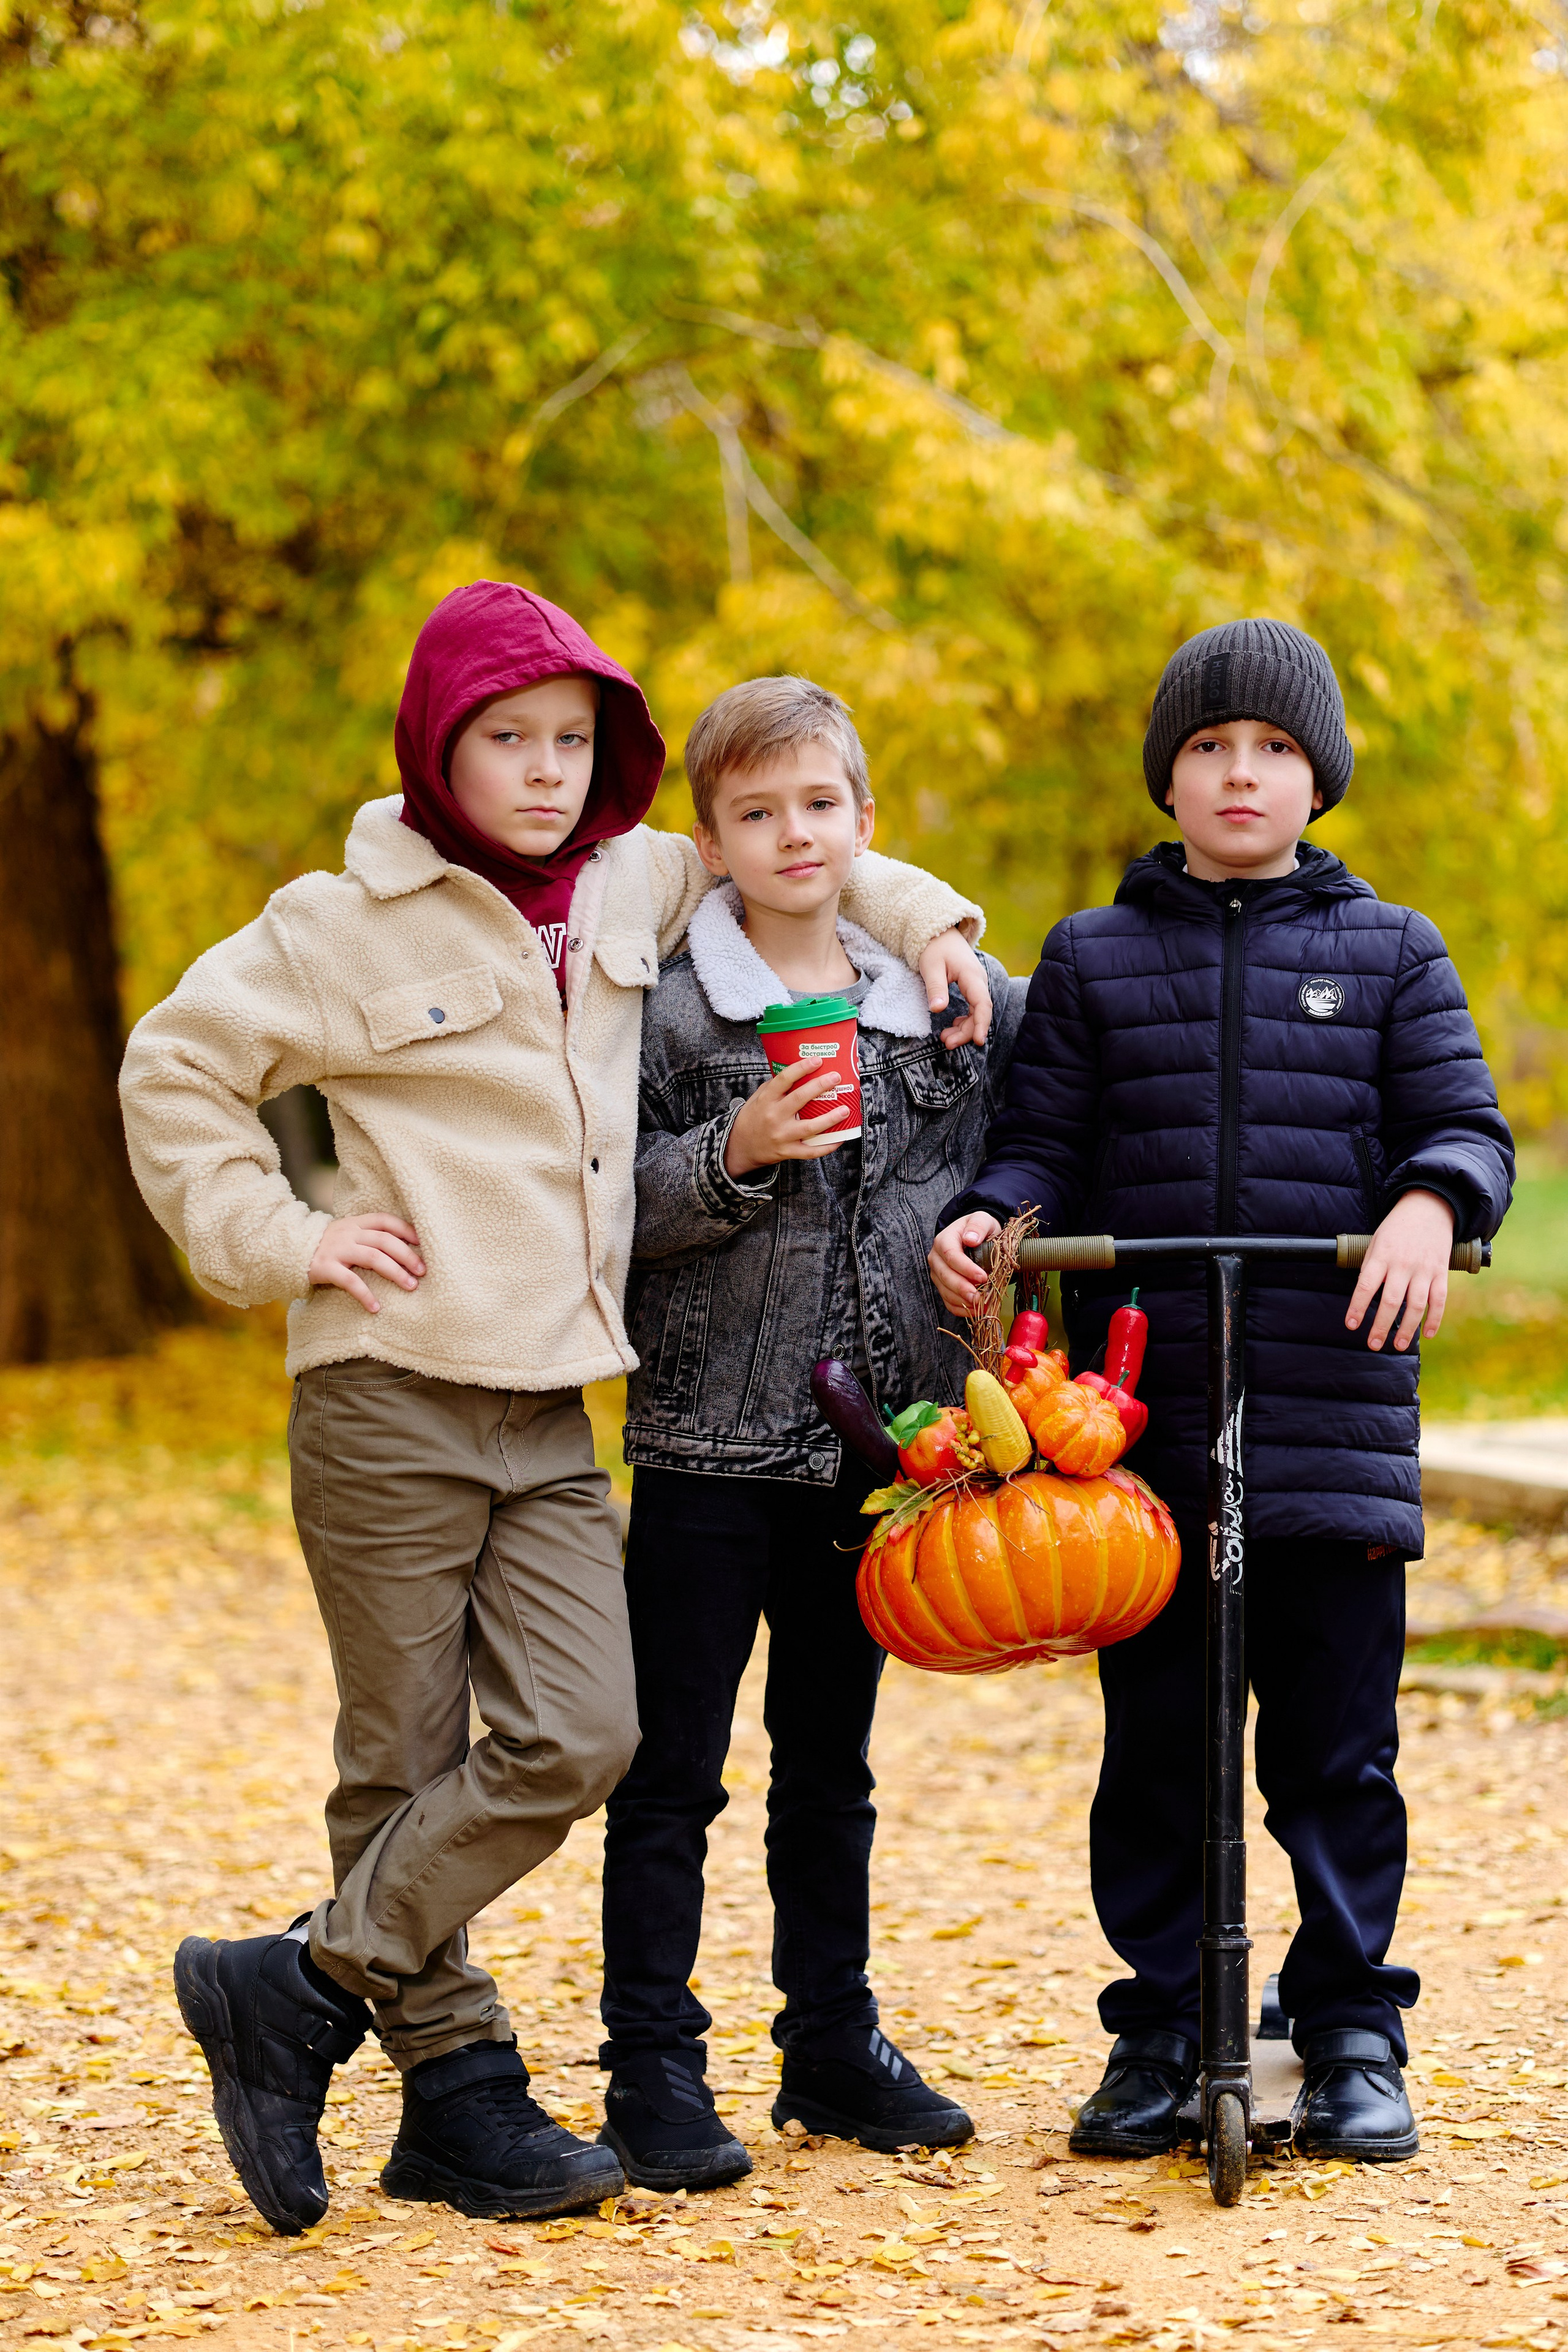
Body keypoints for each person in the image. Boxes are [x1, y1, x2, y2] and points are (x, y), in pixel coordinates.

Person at [118, 582, 993, 2236]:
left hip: (549, 1406)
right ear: (436, 751)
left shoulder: (633, 882)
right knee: (403, 1752)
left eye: (571, 744)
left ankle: (296, 1983)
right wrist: (286, 1237)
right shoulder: (333, 923)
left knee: (589, 1735)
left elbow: (794, 843)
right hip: (384, 1387)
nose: (539, 772)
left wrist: (934, 919)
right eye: (505, 741)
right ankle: (454, 2091)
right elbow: (176, 1070)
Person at [929, 618, 1513, 2163]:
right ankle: (1167, 2028)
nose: (1237, 774)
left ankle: (1346, 2030)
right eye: (1206, 750)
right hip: (1140, 1427)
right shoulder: (1094, 955)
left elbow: (1463, 1127)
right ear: (1165, 781)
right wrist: (992, 1219)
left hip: (1328, 1410)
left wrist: (1426, 1203)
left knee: (1335, 1748)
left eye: (1267, 750)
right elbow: (1039, 1144)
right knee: (1159, 1743)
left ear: (1314, 778)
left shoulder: (1391, 951)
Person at [595, 676, 1028, 2191]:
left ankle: (829, 2042)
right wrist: (732, 1149)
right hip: (705, 1442)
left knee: (827, 1765)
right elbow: (602, 1202)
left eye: (818, 805)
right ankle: (649, 2062)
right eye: (756, 812)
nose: (792, 834)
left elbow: (1036, 1146)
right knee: (669, 1770)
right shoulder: (664, 1004)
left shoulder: (943, 1001)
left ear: (864, 822)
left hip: (880, 1455)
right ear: (709, 842)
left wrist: (990, 1227)